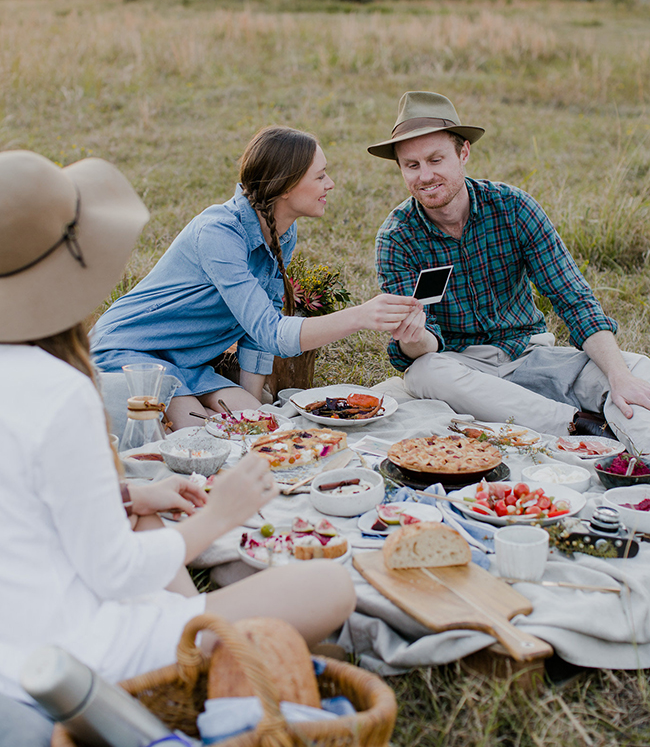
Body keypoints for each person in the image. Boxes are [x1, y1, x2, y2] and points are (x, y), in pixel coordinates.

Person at [0, 150, 356, 711]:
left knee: (142, 510)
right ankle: (217, 657)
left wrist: (133, 492)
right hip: (79, 657)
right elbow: (115, 572)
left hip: (24, 629)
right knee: (334, 588)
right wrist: (222, 514)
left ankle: (220, 637)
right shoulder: (62, 391)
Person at [370, 91, 650, 452]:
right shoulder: (397, 238)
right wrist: (412, 334)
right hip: (461, 367)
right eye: (412, 165)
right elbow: (423, 349)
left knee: (634, 367)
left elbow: (572, 297)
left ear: (463, 152)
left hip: (531, 355)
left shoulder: (513, 208)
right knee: (424, 372)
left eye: (436, 159)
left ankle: (641, 454)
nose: (425, 175)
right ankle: (577, 427)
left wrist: (618, 375)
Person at [91, 125, 419, 429]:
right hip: (135, 350)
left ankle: (211, 413)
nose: (330, 184)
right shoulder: (219, 233)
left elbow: (258, 334)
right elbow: (272, 331)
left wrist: (253, 406)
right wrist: (360, 316)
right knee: (194, 429)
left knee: (261, 426)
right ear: (286, 186)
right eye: (320, 177)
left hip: (188, 362)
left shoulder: (283, 234)